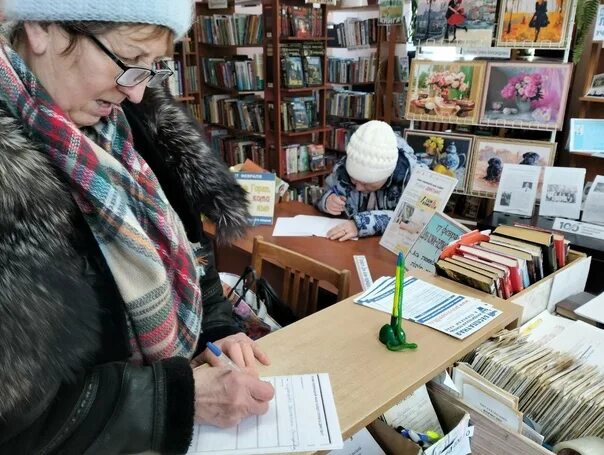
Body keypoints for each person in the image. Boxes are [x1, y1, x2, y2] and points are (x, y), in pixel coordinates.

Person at [0, 1, 275, 453]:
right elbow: (18, 421)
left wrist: (218, 329)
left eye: (152, 69)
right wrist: (175, 400)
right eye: (129, 62)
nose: (137, 93)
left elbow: (188, 246)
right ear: (41, 28)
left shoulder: (130, 124)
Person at [316, 120, 419, 241]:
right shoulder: (343, 167)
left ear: (387, 174)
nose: (358, 187)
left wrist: (361, 224)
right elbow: (324, 192)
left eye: (366, 184)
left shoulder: (413, 176)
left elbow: (412, 218)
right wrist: (327, 201)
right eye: (354, 180)